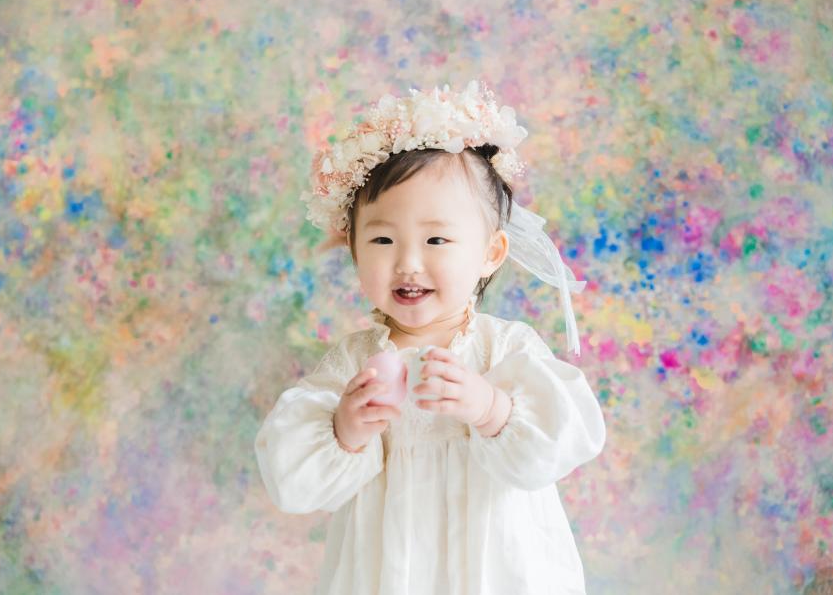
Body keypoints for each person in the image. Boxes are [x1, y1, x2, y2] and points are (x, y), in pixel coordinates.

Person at [254, 80, 607, 594]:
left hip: (496, 572)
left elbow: (564, 440)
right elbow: (294, 481)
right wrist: (345, 430)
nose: (408, 263)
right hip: (387, 573)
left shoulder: (504, 349)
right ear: (354, 250)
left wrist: (491, 409)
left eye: (436, 239)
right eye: (382, 238)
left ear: (490, 253)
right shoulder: (354, 362)